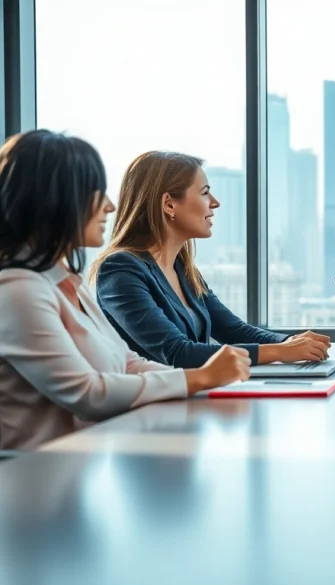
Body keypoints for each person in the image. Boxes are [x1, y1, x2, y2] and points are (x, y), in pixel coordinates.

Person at [0, 131, 250, 450]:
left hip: (82, 468)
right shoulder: (18, 290)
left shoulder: (65, 280)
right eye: (95, 193)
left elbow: (128, 362)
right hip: (36, 481)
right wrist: (198, 378)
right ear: (54, 199)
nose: (109, 206)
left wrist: (206, 385)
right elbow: (88, 394)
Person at [93, 151, 330, 369]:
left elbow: (234, 330)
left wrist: (291, 341)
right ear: (169, 204)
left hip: (190, 401)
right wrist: (279, 351)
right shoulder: (120, 270)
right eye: (205, 192)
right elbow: (178, 353)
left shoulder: (183, 271)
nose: (214, 202)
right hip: (147, 410)